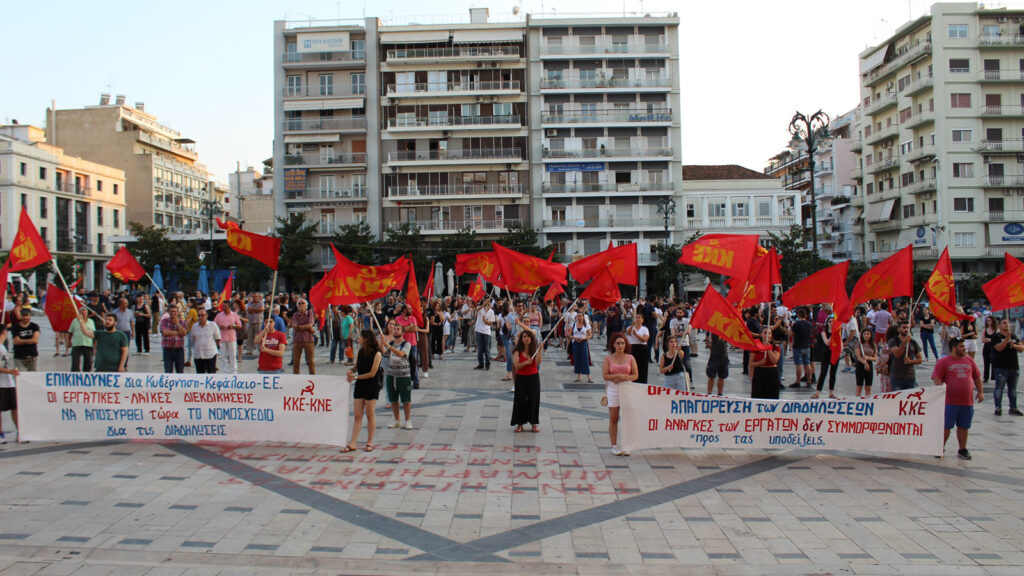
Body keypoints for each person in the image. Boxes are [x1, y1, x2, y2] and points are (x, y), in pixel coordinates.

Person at [932, 337, 984, 460]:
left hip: (967, 401)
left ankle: (962, 448)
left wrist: (980, 392)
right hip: (950, 401)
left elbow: (977, 377)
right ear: (954, 348)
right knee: (946, 426)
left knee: (964, 426)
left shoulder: (969, 360)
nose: (964, 349)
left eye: (963, 346)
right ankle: (940, 447)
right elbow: (936, 377)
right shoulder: (944, 362)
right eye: (961, 346)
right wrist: (941, 388)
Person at [341, 330, 382, 453]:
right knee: (357, 415)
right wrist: (351, 371)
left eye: (360, 336)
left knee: (370, 414)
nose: (358, 338)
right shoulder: (360, 351)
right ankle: (353, 443)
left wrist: (355, 377)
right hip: (360, 385)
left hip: (371, 385)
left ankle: (369, 441)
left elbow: (372, 373)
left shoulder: (377, 354)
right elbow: (357, 366)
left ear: (366, 339)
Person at [602, 333, 638, 456]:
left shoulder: (630, 358)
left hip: (627, 388)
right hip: (613, 389)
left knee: (627, 417)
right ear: (613, 345)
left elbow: (635, 375)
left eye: (622, 343)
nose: (620, 345)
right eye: (618, 343)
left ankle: (627, 445)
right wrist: (617, 376)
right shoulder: (608, 359)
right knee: (614, 418)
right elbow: (605, 375)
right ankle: (614, 445)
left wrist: (624, 378)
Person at [382, 321, 414, 430]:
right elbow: (384, 353)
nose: (395, 330)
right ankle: (396, 419)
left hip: (404, 376)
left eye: (398, 329)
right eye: (394, 329)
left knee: (406, 400)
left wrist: (389, 347)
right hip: (391, 375)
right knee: (393, 399)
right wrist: (382, 343)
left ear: (402, 332)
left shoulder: (406, 344)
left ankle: (408, 420)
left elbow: (400, 354)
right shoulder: (390, 344)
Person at [511, 330, 542, 433]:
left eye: (528, 337)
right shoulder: (517, 351)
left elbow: (538, 362)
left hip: (533, 377)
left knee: (533, 400)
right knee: (520, 400)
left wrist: (540, 351)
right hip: (521, 378)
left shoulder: (535, 350)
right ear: (521, 339)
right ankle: (519, 424)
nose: (526, 338)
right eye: (524, 336)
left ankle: (534, 423)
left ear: (531, 339)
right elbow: (516, 366)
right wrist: (526, 363)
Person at [991, 318, 1023, 416]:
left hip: (1013, 366)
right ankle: (998, 407)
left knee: (1013, 389)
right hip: (1001, 367)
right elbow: (999, 348)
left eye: (1008, 323)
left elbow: (1021, 348)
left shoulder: (1013, 336)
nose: (1007, 325)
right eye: (1004, 323)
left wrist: (1014, 345)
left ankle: (1013, 407)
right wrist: (1006, 340)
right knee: (999, 388)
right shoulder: (996, 336)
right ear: (999, 325)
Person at [0, 324, 21, 444]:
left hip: (9, 383)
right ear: (4, 333)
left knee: (15, 408)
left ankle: (20, 432)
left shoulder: (3, 347)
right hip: (1, 384)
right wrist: (10, 371)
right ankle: (1, 434)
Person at [888, 320, 923, 390]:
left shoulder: (913, 342)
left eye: (907, 327)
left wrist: (910, 361)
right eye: (904, 327)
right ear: (899, 329)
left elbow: (920, 359)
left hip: (910, 377)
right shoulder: (893, 341)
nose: (906, 329)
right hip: (897, 376)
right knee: (898, 398)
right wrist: (904, 343)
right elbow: (897, 354)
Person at [749, 327, 781, 399]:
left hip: (772, 373)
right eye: (765, 333)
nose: (767, 335)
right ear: (761, 334)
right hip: (760, 372)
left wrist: (768, 348)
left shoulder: (776, 347)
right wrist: (760, 363)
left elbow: (774, 360)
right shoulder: (755, 346)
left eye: (769, 333)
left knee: (772, 396)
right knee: (758, 396)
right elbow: (751, 363)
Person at [812, 317, 840, 399]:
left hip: (835, 354)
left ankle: (831, 392)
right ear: (827, 323)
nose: (831, 323)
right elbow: (827, 342)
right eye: (830, 321)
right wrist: (833, 334)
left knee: (833, 373)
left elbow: (840, 343)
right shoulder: (824, 333)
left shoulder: (838, 332)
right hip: (826, 353)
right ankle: (817, 392)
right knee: (823, 372)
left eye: (833, 321)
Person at [213, 301, 242, 374]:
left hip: (231, 338)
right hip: (222, 338)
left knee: (232, 356)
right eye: (223, 306)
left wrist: (233, 326)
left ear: (229, 307)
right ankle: (224, 371)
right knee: (223, 356)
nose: (224, 308)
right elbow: (214, 324)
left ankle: (234, 371)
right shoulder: (219, 315)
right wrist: (219, 326)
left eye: (225, 306)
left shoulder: (234, 315)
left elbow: (239, 325)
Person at [189, 308, 221, 374]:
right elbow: (192, 340)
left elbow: (217, 338)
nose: (200, 317)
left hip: (210, 354)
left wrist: (219, 351)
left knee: (211, 373)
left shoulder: (213, 325)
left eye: (202, 315)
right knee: (199, 374)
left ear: (206, 316)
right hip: (198, 354)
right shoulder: (194, 326)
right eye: (199, 315)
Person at [289, 299, 316, 374]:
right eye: (299, 303)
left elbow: (310, 325)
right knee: (296, 362)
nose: (301, 305)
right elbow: (294, 326)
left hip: (308, 340)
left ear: (306, 305)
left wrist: (299, 327)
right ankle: (296, 377)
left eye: (303, 303)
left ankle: (313, 377)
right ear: (297, 306)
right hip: (297, 340)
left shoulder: (310, 313)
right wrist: (308, 327)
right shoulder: (295, 315)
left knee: (311, 362)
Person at [789, 308, 814, 388]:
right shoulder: (809, 324)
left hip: (798, 346)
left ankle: (798, 381)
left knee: (799, 364)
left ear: (798, 315)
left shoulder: (796, 324)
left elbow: (791, 334)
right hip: (806, 345)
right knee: (807, 363)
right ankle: (809, 381)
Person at [625, 313, 650, 384]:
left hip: (642, 348)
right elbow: (628, 332)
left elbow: (644, 339)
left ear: (642, 320)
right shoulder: (630, 327)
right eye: (636, 317)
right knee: (632, 367)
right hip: (632, 348)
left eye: (639, 318)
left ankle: (642, 382)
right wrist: (633, 325)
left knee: (642, 368)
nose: (638, 319)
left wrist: (636, 335)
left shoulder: (645, 329)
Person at [69, 306, 96, 372]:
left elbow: (94, 333)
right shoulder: (74, 321)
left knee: (88, 363)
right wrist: (69, 341)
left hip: (88, 344)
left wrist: (95, 345)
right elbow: (70, 332)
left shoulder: (91, 321)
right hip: (77, 344)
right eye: (82, 313)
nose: (83, 315)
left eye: (85, 313)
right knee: (75, 363)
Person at [570, 312, 593, 384]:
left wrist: (584, 338)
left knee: (585, 359)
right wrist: (574, 338)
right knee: (577, 359)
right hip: (575, 343)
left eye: (580, 316)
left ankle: (588, 377)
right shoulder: (573, 325)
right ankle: (578, 377)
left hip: (583, 343)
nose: (579, 317)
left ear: (583, 317)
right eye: (578, 316)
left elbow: (590, 335)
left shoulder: (587, 325)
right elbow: (569, 334)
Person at [854, 328, 877, 396]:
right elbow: (858, 357)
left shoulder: (873, 345)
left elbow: (875, 358)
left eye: (868, 334)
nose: (866, 335)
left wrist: (868, 358)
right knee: (859, 387)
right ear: (862, 335)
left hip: (869, 365)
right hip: (860, 365)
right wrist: (865, 363)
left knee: (868, 387)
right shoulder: (859, 344)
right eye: (865, 334)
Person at [474, 299, 495, 370]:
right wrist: (483, 305)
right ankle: (481, 364)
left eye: (488, 301)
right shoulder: (480, 309)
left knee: (487, 350)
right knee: (480, 350)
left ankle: (487, 364)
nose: (487, 302)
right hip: (478, 331)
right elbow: (476, 310)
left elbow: (491, 322)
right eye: (485, 301)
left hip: (486, 332)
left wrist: (485, 321)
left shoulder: (491, 311)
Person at [982, 316, 999, 384]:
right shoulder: (985, 329)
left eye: (989, 320)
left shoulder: (996, 330)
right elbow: (983, 339)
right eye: (987, 320)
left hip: (994, 347)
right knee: (986, 362)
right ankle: (986, 377)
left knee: (994, 362)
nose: (988, 322)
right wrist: (987, 340)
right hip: (986, 347)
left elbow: (998, 339)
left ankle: (994, 376)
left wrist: (991, 340)